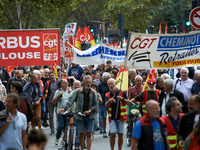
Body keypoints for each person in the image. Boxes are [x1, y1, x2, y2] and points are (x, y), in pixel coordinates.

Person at [59, 75, 98, 150]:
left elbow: (96, 105)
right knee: (81, 133)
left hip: (90, 116)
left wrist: (89, 111)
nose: (89, 84)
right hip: (80, 116)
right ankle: (82, 148)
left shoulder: (93, 92)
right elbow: (69, 100)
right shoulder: (77, 92)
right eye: (87, 82)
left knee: (89, 134)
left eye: (90, 82)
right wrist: (63, 108)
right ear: (83, 82)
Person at [105, 78, 129, 150]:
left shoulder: (122, 92)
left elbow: (128, 102)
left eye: (111, 83)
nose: (110, 85)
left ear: (115, 83)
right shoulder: (107, 94)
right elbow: (106, 106)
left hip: (121, 117)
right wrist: (109, 101)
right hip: (112, 117)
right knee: (112, 134)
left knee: (120, 134)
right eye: (109, 84)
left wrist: (122, 99)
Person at [53, 79, 73, 145]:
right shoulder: (58, 91)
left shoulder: (69, 91)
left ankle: (64, 140)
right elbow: (54, 101)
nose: (66, 84)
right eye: (64, 83)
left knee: (66, 127)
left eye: (67, 83)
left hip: (68, 111)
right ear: (61, 84)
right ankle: (57, 137)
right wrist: (58, 95)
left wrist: (71, 93)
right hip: (60, 111)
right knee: (61, 125)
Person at [97, 72, 111, 137]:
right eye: (108, 78)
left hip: (110, 101)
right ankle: (104, 130)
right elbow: (98, 93)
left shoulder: (110, 84)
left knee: (111, 116)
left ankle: (111, 130)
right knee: (103, 117)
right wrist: (99, 101)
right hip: (103, 102)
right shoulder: (100, 85)